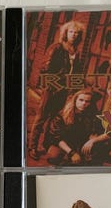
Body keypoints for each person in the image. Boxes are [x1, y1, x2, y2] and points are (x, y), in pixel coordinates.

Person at [28, 20, 85, 160]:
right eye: (71, 32)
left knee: (54, 119)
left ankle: (46, 144)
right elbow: (45, 68)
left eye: (77, 33)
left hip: (65, 91)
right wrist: (52, 85)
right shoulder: (57, 47)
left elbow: (76, 72)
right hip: (52, 89)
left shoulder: (76, 51)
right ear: (65, 33)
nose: (74, 35)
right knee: (41, 117)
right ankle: (32, 146)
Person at [46, 89, 108, 165]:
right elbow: (56, 137)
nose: (83, 103)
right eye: (81, 100)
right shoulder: (62, 115)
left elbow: (102, 132)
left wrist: (92, 140)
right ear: (75, 100)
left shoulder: (93, 114)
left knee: (93, 157)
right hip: (65, 143)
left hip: (82, 143)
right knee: (54, 156)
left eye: (87, 101)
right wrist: (72, 153)